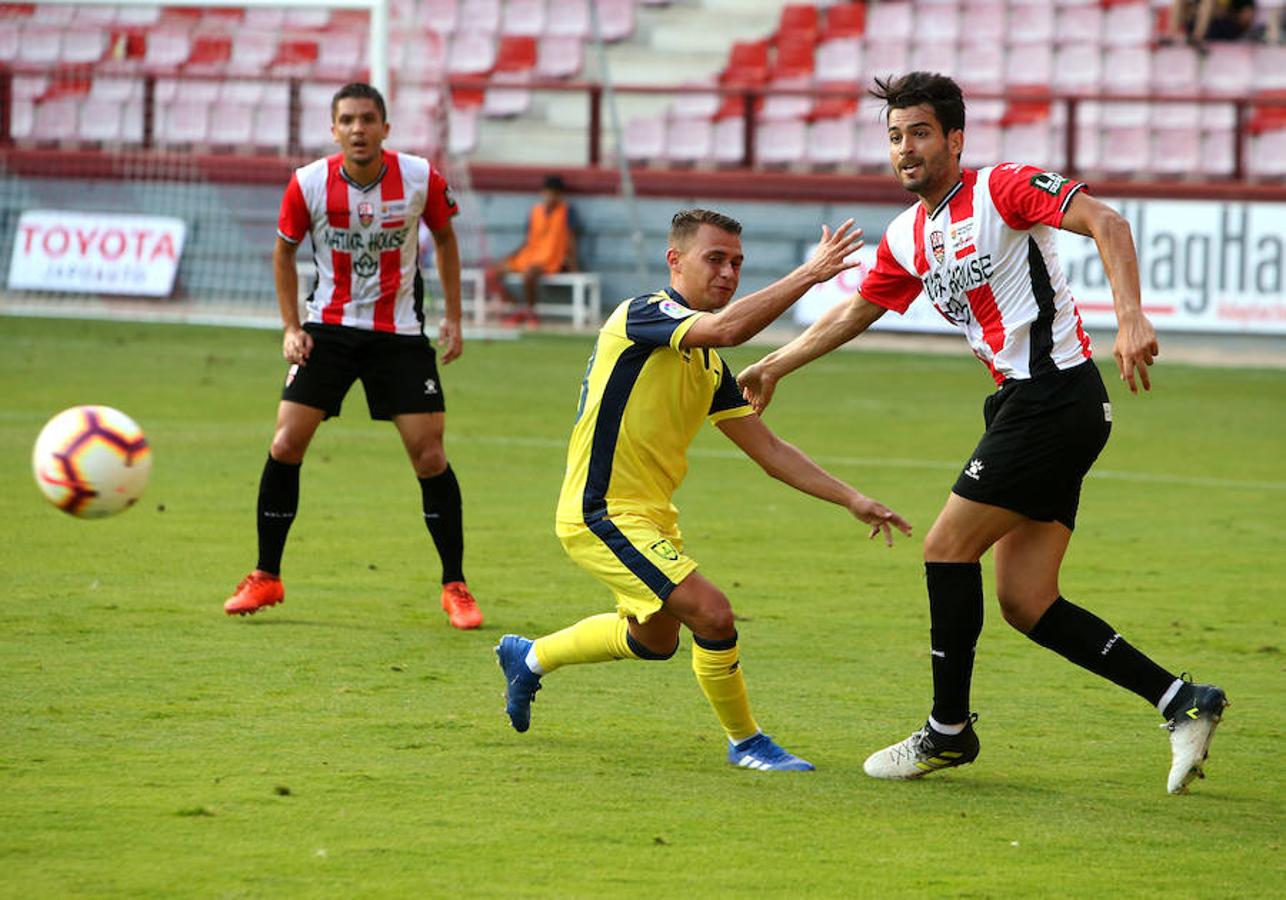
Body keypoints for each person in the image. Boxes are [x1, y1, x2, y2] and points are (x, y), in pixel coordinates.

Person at [737, 72, 1228, 794]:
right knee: (1028, 601)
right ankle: (1181, 701)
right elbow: (857, 310)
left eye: (920, 133)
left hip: (1054, 396)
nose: (905, 149)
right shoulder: (909, 233)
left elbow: (1109, 223)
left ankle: (947, 730)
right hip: (1023, 409)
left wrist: (1130, 315)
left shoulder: (1003, 188)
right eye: (895, 136)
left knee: (944, 547)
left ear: (955, 139)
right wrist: (777, 362)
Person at [495, 209, 913, 771]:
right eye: (714, 259)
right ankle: (747, 742)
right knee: (714, 615)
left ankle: (531, 658)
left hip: (649, 516)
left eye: (736, 263)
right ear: (676, 260)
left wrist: (853, 499)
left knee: (653, 640)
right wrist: (808, 275)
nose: (728, 273)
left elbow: (770, 451)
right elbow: (730, 327)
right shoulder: (642, 316)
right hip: (601, 512)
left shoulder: (707, 365)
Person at [224, 82, 484, 631]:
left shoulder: (420, 177)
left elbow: (447, 239)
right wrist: (291, 327)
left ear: (385, 128)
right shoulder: (308, 183)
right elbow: (283, 252)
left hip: (400, 334)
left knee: (429, 457)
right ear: (334, 129)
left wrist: (454, 319)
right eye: (347, 120)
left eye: (368, 119)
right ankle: (266, 575)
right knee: (286, 442)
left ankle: (455, 585)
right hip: (329, 330)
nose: (358, 129)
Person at [485, 173, 579, 327]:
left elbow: (572, 240)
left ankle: (531, 312)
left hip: (551, 259)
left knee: (529, 274)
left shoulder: (567, 211)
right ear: (543, 192)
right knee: (491, 275)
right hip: (529, 255)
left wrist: (574, 267)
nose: (550, 196)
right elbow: (528, 239)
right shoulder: (535, 211)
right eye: (548, 192)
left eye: (554, 193)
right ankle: (517, 308)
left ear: (560, 195)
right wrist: (511, 256)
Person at [1167, 0, 1256, 46]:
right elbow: (1195, 10)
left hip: (1228, 27)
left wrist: (1228, 13)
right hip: (1207, 25)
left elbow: (1247, 16)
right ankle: (1172, 33)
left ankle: (1197, 38)